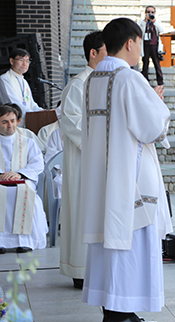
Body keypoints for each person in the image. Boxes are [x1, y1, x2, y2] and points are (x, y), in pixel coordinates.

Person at [80, 18, 172, 322]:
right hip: (129, 177)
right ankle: (121, 313)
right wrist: (158, 103)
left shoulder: (93, 79)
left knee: (111, 243)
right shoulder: (129, 79)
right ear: (131, 42)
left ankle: (112, 309)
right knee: (130, 242)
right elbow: (151, 127)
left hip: (102, 178)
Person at [58, 31, 107, 290]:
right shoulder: (79, 83)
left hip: (102, 158)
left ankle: (97, 267)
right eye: (106, 51)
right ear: (93, 53)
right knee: (81, 208)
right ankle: (80, 269)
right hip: (83, 159)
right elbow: (70, 121)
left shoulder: (106, 80)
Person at [0, 105, 47, 254]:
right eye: (5, 122)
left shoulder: (28, 141)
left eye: (13, 121)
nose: (10, 125)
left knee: (25, 192)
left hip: (23, 180)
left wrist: (20, 174)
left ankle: (25, 241)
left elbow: (38, 162)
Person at [0, 49, 44, 119]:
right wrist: (32, 114)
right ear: (11, 61)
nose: (24, 64)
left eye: (27, 61)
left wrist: (42, 112)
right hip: (13, 123)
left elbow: (32, 104)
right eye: (21, 60)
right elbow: (13, 104)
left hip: (28, 121)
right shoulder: (4, 79)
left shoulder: (24, 81)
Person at [138, 5, 164, 86]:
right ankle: (145, 81)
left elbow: (161, 30)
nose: (150, 14)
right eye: (148, 12)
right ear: (145, 13)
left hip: (154, 45)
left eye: (152, 12)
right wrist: (145, 21)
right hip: (145, 45)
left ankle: (160, 82)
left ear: (155, 13)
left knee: (157, 64)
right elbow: (140, 31)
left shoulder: (157, 22)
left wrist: (154, 21)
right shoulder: (142, 22)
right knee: (145, 64)